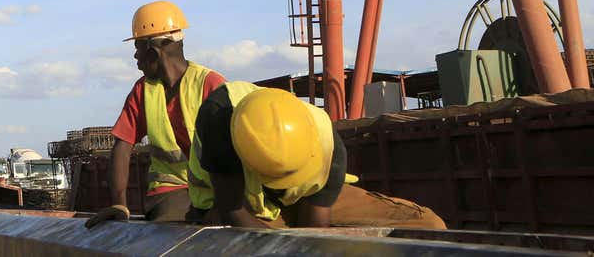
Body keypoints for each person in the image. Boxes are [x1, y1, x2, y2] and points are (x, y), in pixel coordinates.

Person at [188, 83, 445, 229]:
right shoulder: (219, 119)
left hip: (301, 200)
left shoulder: (328, 146)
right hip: (243, 206)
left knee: (428, 225)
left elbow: (314, 233)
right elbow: (233, 210)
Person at [87, 1, 225, 227]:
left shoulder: (209, 85)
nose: (135, 57)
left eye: (137, 48)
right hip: (171, 190)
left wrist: (222, 206)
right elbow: (122, 147)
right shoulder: (143, 91)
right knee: (171, 234)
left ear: (153, 52)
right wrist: (120, 206)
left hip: (218, 187)